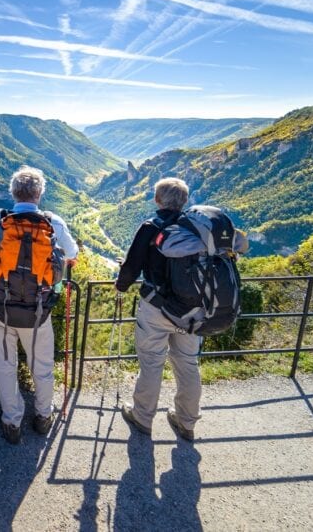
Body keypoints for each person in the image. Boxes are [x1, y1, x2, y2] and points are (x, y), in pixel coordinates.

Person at [0, 166, 78, 444]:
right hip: (39, 310)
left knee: (5, 365)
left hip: (2, 308)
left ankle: (12, 420)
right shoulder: (53, 222)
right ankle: (43, 416)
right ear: (40, 193)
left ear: (12, 193)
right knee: (41, 365)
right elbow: (73, 252)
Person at [115, 177, 200, 442]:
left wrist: (121, 286)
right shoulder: (197, 228)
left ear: (157, 200)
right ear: (185, 201)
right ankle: (186, 422)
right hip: (192, 310)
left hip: (157, 308)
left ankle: (142, 417)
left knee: (152, 362)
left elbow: (132, 267)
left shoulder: (151, 227)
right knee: (187, 363)